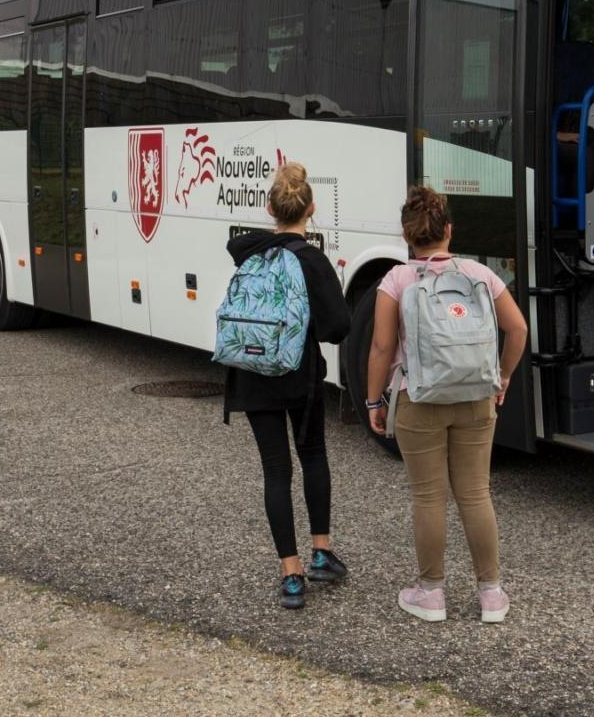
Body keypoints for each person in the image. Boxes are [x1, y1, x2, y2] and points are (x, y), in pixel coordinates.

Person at [364, 186, 528, 624]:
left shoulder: (396, 280)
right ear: (449, 231)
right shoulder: (479, 274)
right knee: (475, 493)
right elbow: (518, 329)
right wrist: (503, 375)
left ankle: (431, 594)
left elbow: (381, 348)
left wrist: (372, 401)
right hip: (477, 396)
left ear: (407, 236)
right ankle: (491, 595)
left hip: (420, 399)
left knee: (428, 496)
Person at [223, 162, 352, 610]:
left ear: (268, 208)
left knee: (276, 472)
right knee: (313, 454)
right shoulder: (311, 259)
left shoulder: (249, 253)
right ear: (311, 209)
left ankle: (291, 574)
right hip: (299, 376)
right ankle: (321, 551)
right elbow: (338, 327)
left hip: (252, 374)